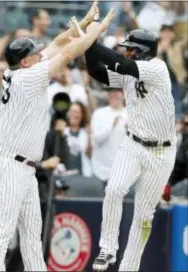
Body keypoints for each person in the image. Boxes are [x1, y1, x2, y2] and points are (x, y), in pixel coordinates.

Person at [0, 1, 115, 270]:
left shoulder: (20, 69)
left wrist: (87, 20)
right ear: (25, 61)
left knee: (33, 238)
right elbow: (67, 52)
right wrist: (97, 31)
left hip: (25, 168)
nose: (39, 53)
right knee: (0, 236)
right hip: (9, 166)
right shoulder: (26, 78)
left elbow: (56, 43)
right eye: (33, 53)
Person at [81, 12, 177, 272]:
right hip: (133, 144)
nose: (127, 53)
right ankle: (107, 250)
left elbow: (122, 65)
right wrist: (89, 45)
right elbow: (96, 71)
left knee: (144, 215)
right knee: (114, 190)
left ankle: (129, 267)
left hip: (161, 152)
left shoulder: (157, 68)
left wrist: (90, 40)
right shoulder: (130, 70)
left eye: (132, 49)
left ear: (144, 52)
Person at [91, 88, 127, 185]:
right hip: (101, 171)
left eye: (117, 92)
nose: (113, 95)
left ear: (124, 95)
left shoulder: (131, 114)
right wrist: (111, 126)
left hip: (124, 171)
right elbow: (97, 140)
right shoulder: (99, 113)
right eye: (111, 92)